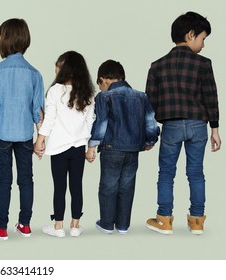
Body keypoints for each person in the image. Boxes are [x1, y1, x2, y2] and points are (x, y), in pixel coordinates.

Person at [145, 11, 221, 235]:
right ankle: (197, 221)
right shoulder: (204, 64)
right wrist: (215, 129)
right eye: (203, 38)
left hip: (172, 126)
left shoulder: (157, 65)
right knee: (196, 172)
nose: (203, 45)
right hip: (199, 125)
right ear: (190, 35)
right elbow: (211, 97)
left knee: (166, 173)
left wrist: (150, 134)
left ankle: (164, 220)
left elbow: (150, 104)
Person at [0, 18, 44, 240]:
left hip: (2, 134)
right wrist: (41, 139)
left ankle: (0, 227)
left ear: (5, 40)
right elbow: (38, 110)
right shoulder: (35, 73)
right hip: (26, 134)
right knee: (26, 179)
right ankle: (25, 225)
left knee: (3, 180)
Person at [86, 60, 159, 235]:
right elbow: (151, 121)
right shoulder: (142, 96)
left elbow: (101, 122)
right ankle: (123, 225)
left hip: (112, 148)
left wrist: (92, 146)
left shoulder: (104, 97)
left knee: (108, 186)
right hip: (133, 150)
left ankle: (106, 224)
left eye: (100, 84)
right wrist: (150, 141)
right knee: (127, 187)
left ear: (103, 79)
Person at [34, 51, 95, 238]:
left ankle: (58, 226)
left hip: (59, 148)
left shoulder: (55, 91)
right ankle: (75, 225)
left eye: (58, 67)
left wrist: (40, 140)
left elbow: (50, 119)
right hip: (78, 147)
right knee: (77, 186)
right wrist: (89, 146)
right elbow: (90, 121)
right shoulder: (88, 93)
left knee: (59, 187)